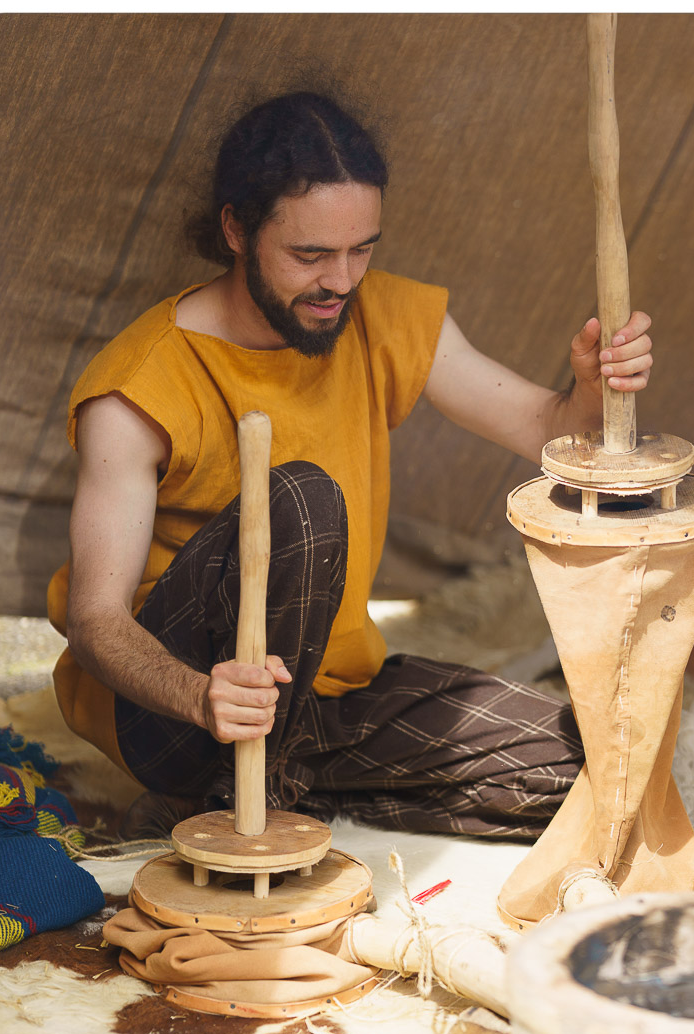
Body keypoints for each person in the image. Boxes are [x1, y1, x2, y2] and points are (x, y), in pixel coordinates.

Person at [46, 91, 654, 840]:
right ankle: (226, 785)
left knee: (586, 762)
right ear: (236, 228)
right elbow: (95, 622)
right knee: (301, 502)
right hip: (181, 712)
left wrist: (594, 390)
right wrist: (203, 696)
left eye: (361, 248)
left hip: (322, 700)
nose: (340, 279)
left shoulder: (379, 312)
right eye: (310, 255)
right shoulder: (138, 387)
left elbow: (547, 427)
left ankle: (281, 791)